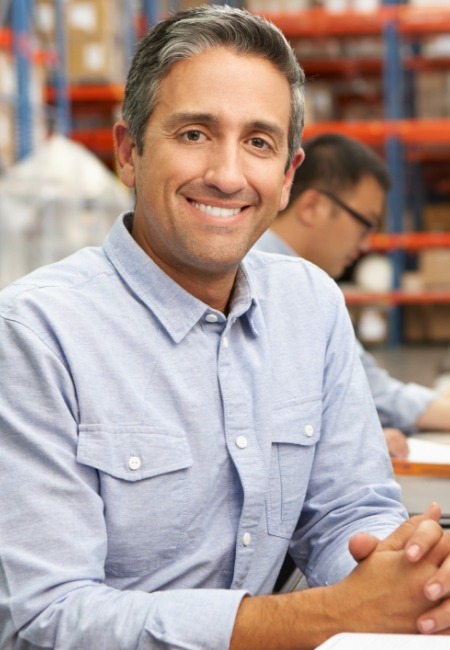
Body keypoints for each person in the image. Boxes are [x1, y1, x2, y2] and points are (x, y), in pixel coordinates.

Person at [1, 6, 450, 649]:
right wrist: (329, 615)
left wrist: (402, 577)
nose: (228, 174)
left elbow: (347, 511)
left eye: (259, 143)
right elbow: (47, 619)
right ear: (129, 153)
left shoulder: (311, 307)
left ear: (289, 177)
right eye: (193, 134)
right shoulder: (36, 334)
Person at [254, 132, 450, 459]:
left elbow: (361, 384)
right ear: (313, 206)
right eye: (364, 224)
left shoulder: (309, 288)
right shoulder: (267, 281)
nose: (364, 245)